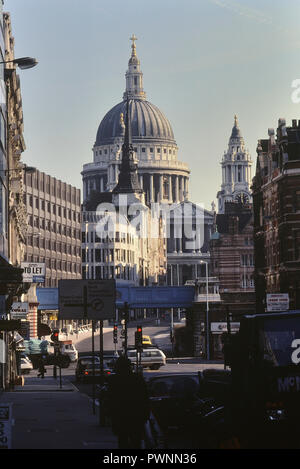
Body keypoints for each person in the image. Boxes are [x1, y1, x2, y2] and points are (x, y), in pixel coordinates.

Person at [107, 355, 150, 449]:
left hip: (120, 417)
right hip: (136, 417)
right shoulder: (137, 378)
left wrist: (111, 416)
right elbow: (145, 397)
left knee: (122, 442)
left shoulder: (113, 380)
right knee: (136, 442)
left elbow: (110, 400)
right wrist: (145, 414)